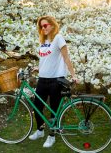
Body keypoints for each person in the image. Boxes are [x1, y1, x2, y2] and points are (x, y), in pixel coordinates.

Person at [28, 15, 77, 148]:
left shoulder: (58, 38)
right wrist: (38, 68)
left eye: (45, 25)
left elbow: (66, 58)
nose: (43, 28)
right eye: (41, 26)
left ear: (52, 25)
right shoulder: (43, 42)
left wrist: (73, 75)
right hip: (42, 80)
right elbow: (47, 59)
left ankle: (52, 136)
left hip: (56, 81)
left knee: (54, 110)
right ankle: (40, 130)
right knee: (37, 107)